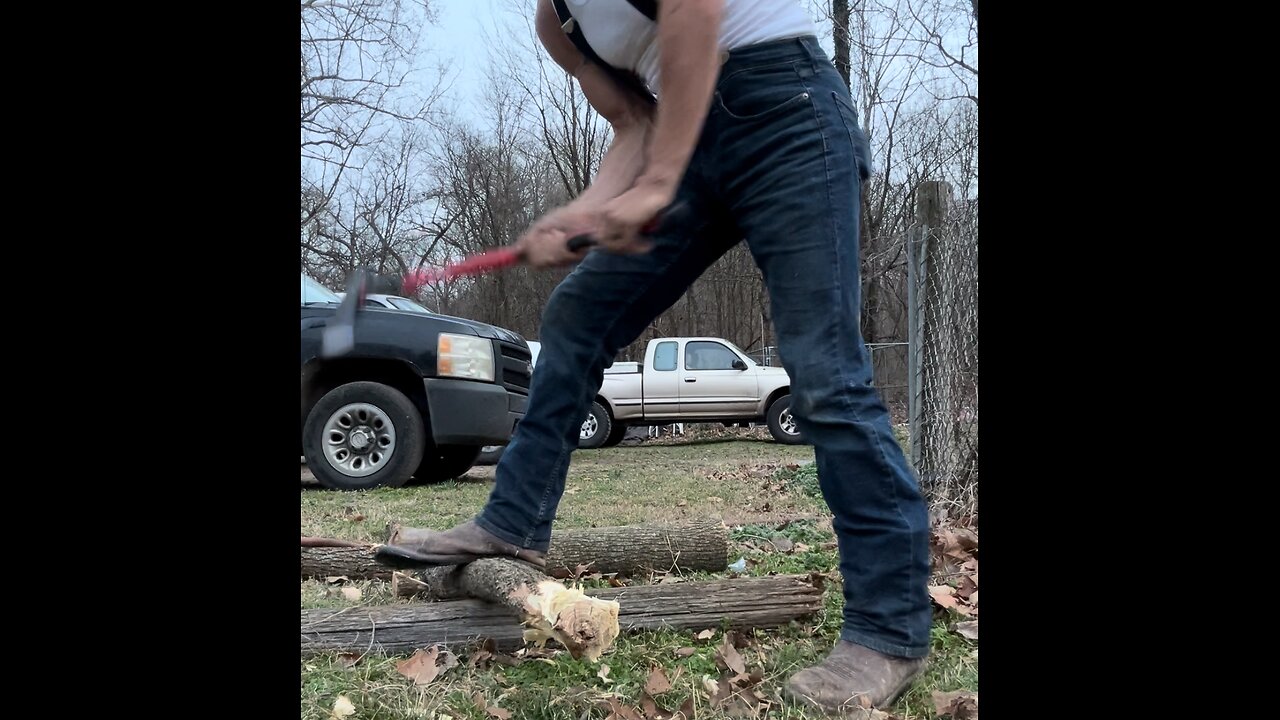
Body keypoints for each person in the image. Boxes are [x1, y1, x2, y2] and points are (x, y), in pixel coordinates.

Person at [377, 0, 931, 712]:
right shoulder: (559, 22)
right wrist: (586, 209)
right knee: (577, 314)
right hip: (684, 133)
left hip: (787, 112)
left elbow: (694, 13)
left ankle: (889, 631)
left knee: (823, 370)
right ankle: (512, 524)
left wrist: (659, 183)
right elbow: (636, 126)